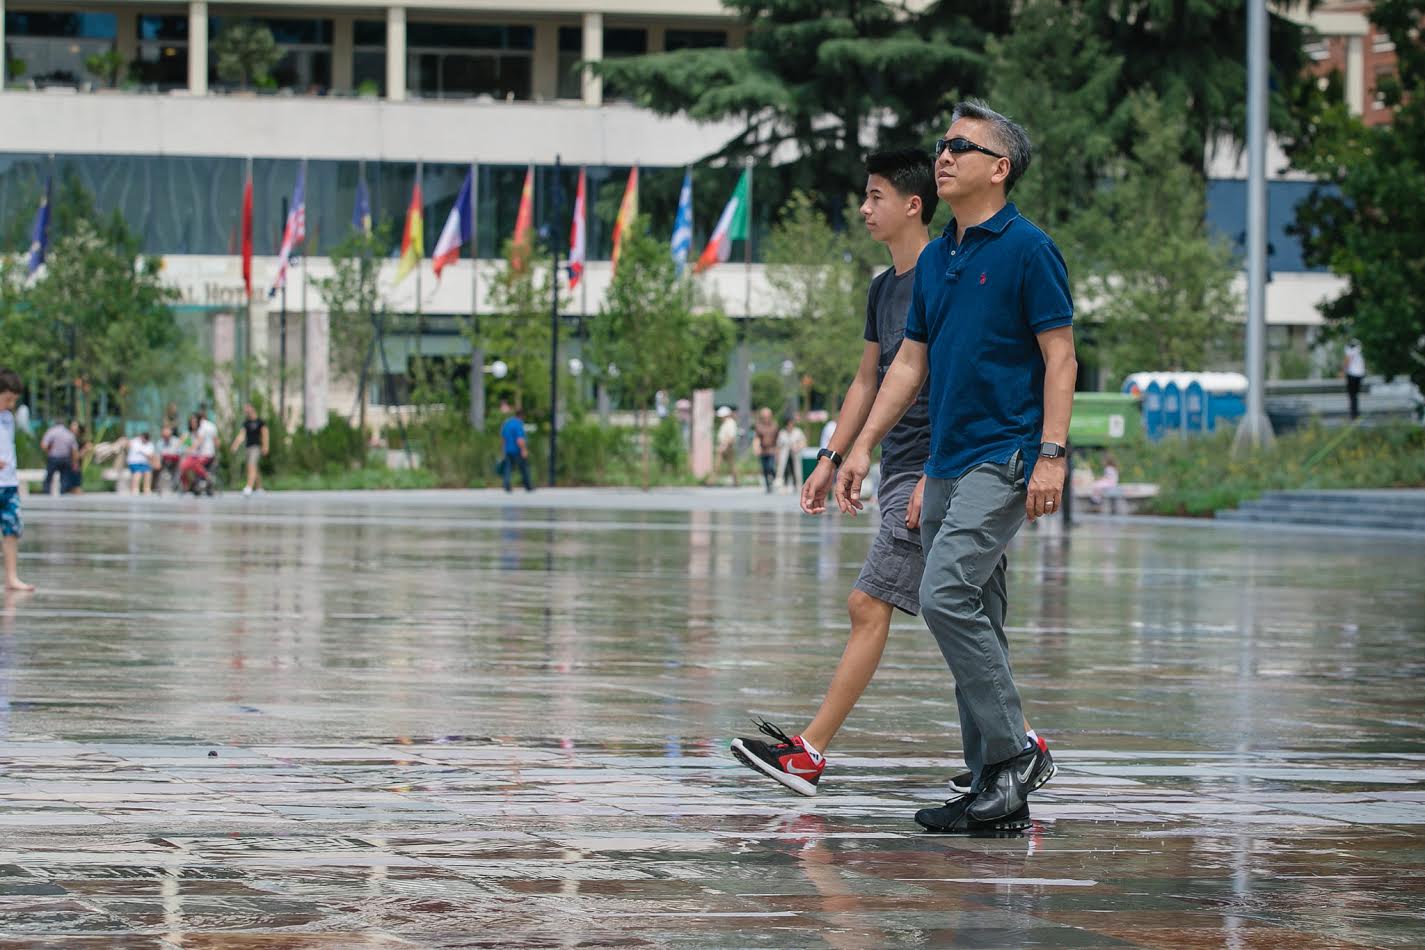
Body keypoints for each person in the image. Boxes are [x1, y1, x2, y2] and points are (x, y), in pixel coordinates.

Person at [730, 147, 1052, 799]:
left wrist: (945, 479)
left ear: (912, 206)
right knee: (972, 616)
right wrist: (833, 455)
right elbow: (869, 378)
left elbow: (960, 380)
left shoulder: (952, 272)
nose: (863, 208)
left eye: (875, 195)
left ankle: (810, 752)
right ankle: (1018, 748)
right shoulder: (887, 288)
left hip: (941, 469)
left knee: (871, 602)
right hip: (907, 467)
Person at [834, 101, 1073, 834]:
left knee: (942, 596)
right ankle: (992, 791)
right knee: (981, 618)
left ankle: (1012, 755)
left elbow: (1059, 356)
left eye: (960, 147)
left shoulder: (1028, 249)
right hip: (944, 459)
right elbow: (909, 364)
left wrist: (1052, 455)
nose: (942, 156)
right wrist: (862, 445)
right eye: (941, 144)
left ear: (998, 169)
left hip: (1004, 455)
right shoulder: (937, 258)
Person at [0, 370, 34, 592]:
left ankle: (11, 578)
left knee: (12, 530)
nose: (11, 404)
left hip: (8, 482)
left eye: (14, 400)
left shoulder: (8, 418)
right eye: (7, 399)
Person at [229, 404, 269, 496]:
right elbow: (242, 435)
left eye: (248, 410)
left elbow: (265, 434)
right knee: (254, 467)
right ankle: (259, 488)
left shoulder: (260, 422)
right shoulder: (246, 423)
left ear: (253, 409)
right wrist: (235, 444)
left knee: (251, 465)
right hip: (248, 447)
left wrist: (265, 446)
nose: (247, 412)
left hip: (256, 447)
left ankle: (249, 487)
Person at [40, 418, 78, 496]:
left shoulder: (51, 431)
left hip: (53, 457)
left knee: (49, 477)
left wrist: (49, 451)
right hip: (65, 458)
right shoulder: (69, 433)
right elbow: (74, 450)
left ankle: (46, 494)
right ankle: (63, 494)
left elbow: (43, 445)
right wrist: (74, 462)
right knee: (64, 478)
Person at [500, 407, 533, 493]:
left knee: (508, 468)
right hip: (517, 450)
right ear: (522, 416)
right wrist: (524, 450)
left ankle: (506, 485)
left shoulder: (507, 424)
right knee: (524, 468)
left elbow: (503, 438)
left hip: (508, 450)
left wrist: (503, 450)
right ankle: (528, 486)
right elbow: (520, 440)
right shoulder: (518, 424)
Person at [776, 414, 808, 493]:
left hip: (795, 455)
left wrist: (798, 447)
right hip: (785, 456)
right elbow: (778, 446)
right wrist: (777, 456)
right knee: (785, 470)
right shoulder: (782, 433)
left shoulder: (798, 432)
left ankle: (797, 485)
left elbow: (804, 442)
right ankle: (784, 486)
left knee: (796, 470)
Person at [753, 407, 779, 493]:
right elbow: (756, 438)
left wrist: (778, 450)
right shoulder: (759, 426)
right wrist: (756, 448)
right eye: (764, 416)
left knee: (770, 467)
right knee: (765, 469)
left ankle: (774, 479)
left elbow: (778, 439)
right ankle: (768, 486)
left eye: (767, 416)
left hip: (772, 450)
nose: (766, 418)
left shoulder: (775, 425)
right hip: (763, 450)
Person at [126, 431, 158, 495]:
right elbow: (127, 443)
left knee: (148, 473)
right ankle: (135, 489)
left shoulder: (150, 444)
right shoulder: (135, 441)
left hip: (145, 463)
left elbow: (150, 455)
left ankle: (147, 489)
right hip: (134, 462)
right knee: (138, 473)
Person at [714, 406, 740, 486]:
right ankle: (735, 482)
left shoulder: (730, 423)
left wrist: (724, 446)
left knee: (728, 464)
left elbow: (730, 437)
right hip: (725, 445)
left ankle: (712, 481)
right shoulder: (726, 423)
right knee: (729, 465)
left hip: (727, 446)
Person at [1343, 338, 1366, 420]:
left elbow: (1347, 361)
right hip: (1359, 375)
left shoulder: (1349, 351)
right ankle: (1355, 413)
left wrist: (1343, 371)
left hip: (1352, 375)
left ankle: (1353, 415)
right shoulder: (1358, 351)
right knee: (1355, 396)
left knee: (1352, 395)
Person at [156, 425, 183, 494]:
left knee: (179, 466)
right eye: (164, 432)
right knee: (157, 465)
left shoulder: (176, 441)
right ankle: (159, 487)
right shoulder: (160, 442)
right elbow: (158, 454)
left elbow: (180, 452)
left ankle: (176, 486)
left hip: (175, 462)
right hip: (163, 462)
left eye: (167, 431)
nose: (166, 433)